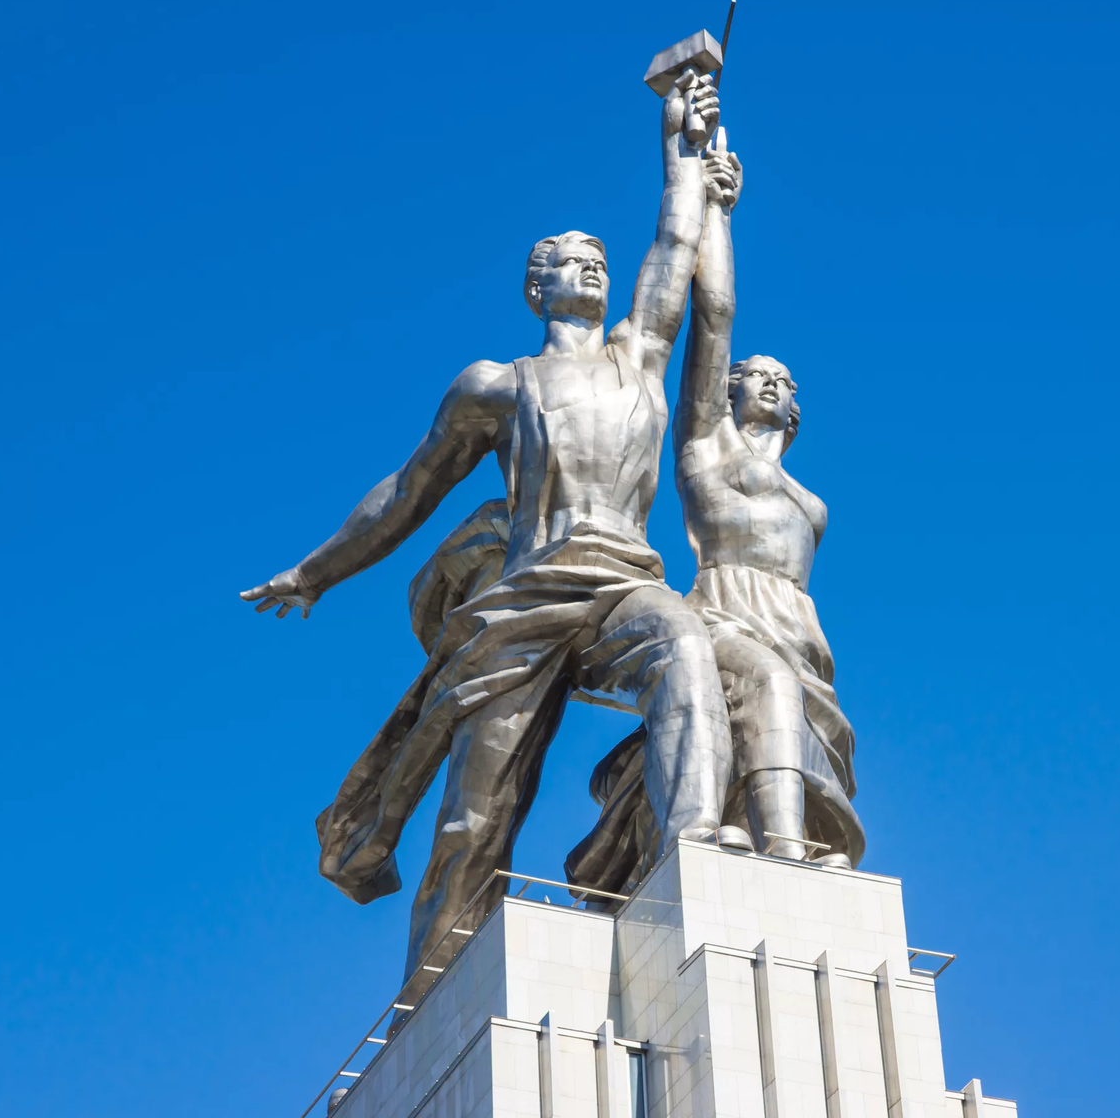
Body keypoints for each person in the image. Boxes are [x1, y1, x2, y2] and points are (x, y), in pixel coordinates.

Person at [240, 72, 738, 1001]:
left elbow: (675, 243)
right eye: (567, 258)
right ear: (534, 285)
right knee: (479, 811)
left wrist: (685, 149)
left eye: (598, 257)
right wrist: (316, 570)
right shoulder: (495, 386)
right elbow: (408, 492)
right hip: (525, 598)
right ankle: (429, 999)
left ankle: (694, 848)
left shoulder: (642, 358)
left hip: (622, 582)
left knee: (683, 644)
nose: (590, 265)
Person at [567, 135, 863, 900]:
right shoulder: (706, 450)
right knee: (761, 682)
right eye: (752, 377)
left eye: (780, 380)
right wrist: (721, 211)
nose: (765, 383)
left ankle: (766, 840)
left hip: (798, 628)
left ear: (796, 406)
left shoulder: (813, 505)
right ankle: (787, 849)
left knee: (778, 704)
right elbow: (717, 312)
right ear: (727, 394)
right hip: (726, 611)